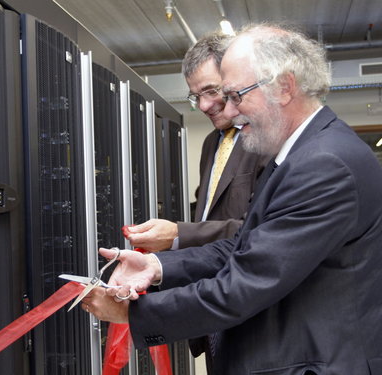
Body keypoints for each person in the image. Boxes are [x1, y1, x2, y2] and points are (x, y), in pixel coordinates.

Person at [82, 23, 382, 374]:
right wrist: (159, 267)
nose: (232, 111)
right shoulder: (299, 155)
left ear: (284, 87)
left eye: (237, 95)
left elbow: (247, 282)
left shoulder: (323, 164)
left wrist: (134, 313)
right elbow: (243, 245)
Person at [124, 31, 269, 253]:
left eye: (211, 91)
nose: (203, 106)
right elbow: (209, 215)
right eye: (196, 96)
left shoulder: (266, 140)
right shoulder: (211, 143)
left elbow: (259, 228)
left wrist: (178, 234)